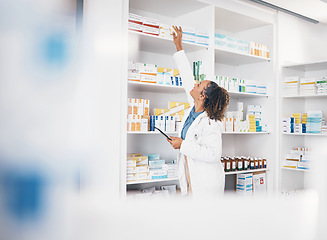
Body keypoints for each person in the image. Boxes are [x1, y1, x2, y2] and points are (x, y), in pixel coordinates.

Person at [167, 26, 230, 198]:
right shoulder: (193, 107)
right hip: (191, 177)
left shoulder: (212, 122)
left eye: (199, 85)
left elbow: (214, 154)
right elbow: (187, 77)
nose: (194, 85)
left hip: (206, 184)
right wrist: (179, 46)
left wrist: (183, 145)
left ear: (202, 96)